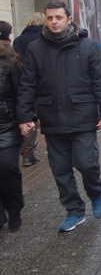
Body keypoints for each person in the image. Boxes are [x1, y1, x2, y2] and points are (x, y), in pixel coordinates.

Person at [17, 1, 101, 233]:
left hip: (83, 116)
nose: (54, 22)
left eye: (58, 17)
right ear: (45, 20)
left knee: (86, 163)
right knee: (60, 170)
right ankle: (74, 211)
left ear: (69, 19)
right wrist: (24, 116)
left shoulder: (87, 46)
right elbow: (27, 84)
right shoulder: (36, 49)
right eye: (50, 18)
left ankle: (95, 194)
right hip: (52, 118)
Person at [0, 21, 23, 232]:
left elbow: (21, 93)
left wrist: (25, 119)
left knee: (7, 168)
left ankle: (14, 209)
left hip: (7, 125)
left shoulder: (12, 61)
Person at [13, 12, 44, 167]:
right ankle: (28, 151)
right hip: (40, 83)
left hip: (22, 82)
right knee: (37, 117)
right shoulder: (43, 39)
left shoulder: (18, 40)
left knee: (28, 117)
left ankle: (27, 152)